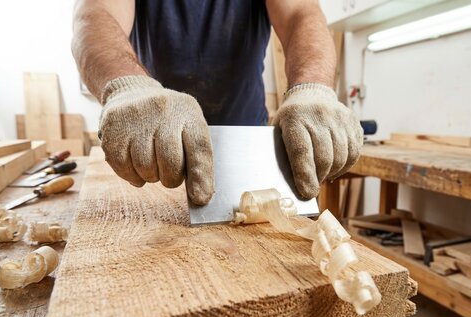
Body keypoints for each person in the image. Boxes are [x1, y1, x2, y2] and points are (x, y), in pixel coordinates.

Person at [72, 0, 363, 206]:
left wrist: (312, 88)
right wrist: (127, 86)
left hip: (249, 146)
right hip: (156, 146)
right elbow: (95, 13)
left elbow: (301, 13)